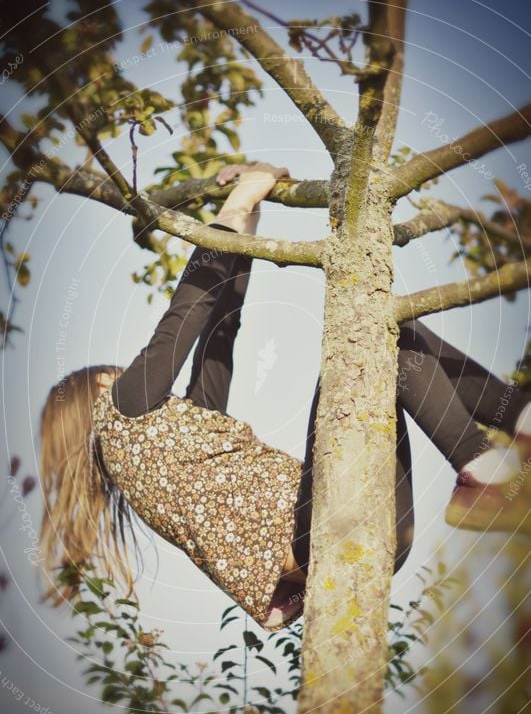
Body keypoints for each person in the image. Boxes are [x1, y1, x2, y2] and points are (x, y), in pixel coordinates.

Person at [39, 163, 531, 632]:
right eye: (118, 372)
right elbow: (185, 313)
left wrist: (249, 218)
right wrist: (237, 202)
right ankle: (486, 462)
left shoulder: (176, 448)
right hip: (318, 525)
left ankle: (511, 430)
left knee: (393, 341)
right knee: (373, 335)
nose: (130, 373)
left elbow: (218, 333)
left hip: (376, 538)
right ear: (100, 389)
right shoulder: (120, 411)